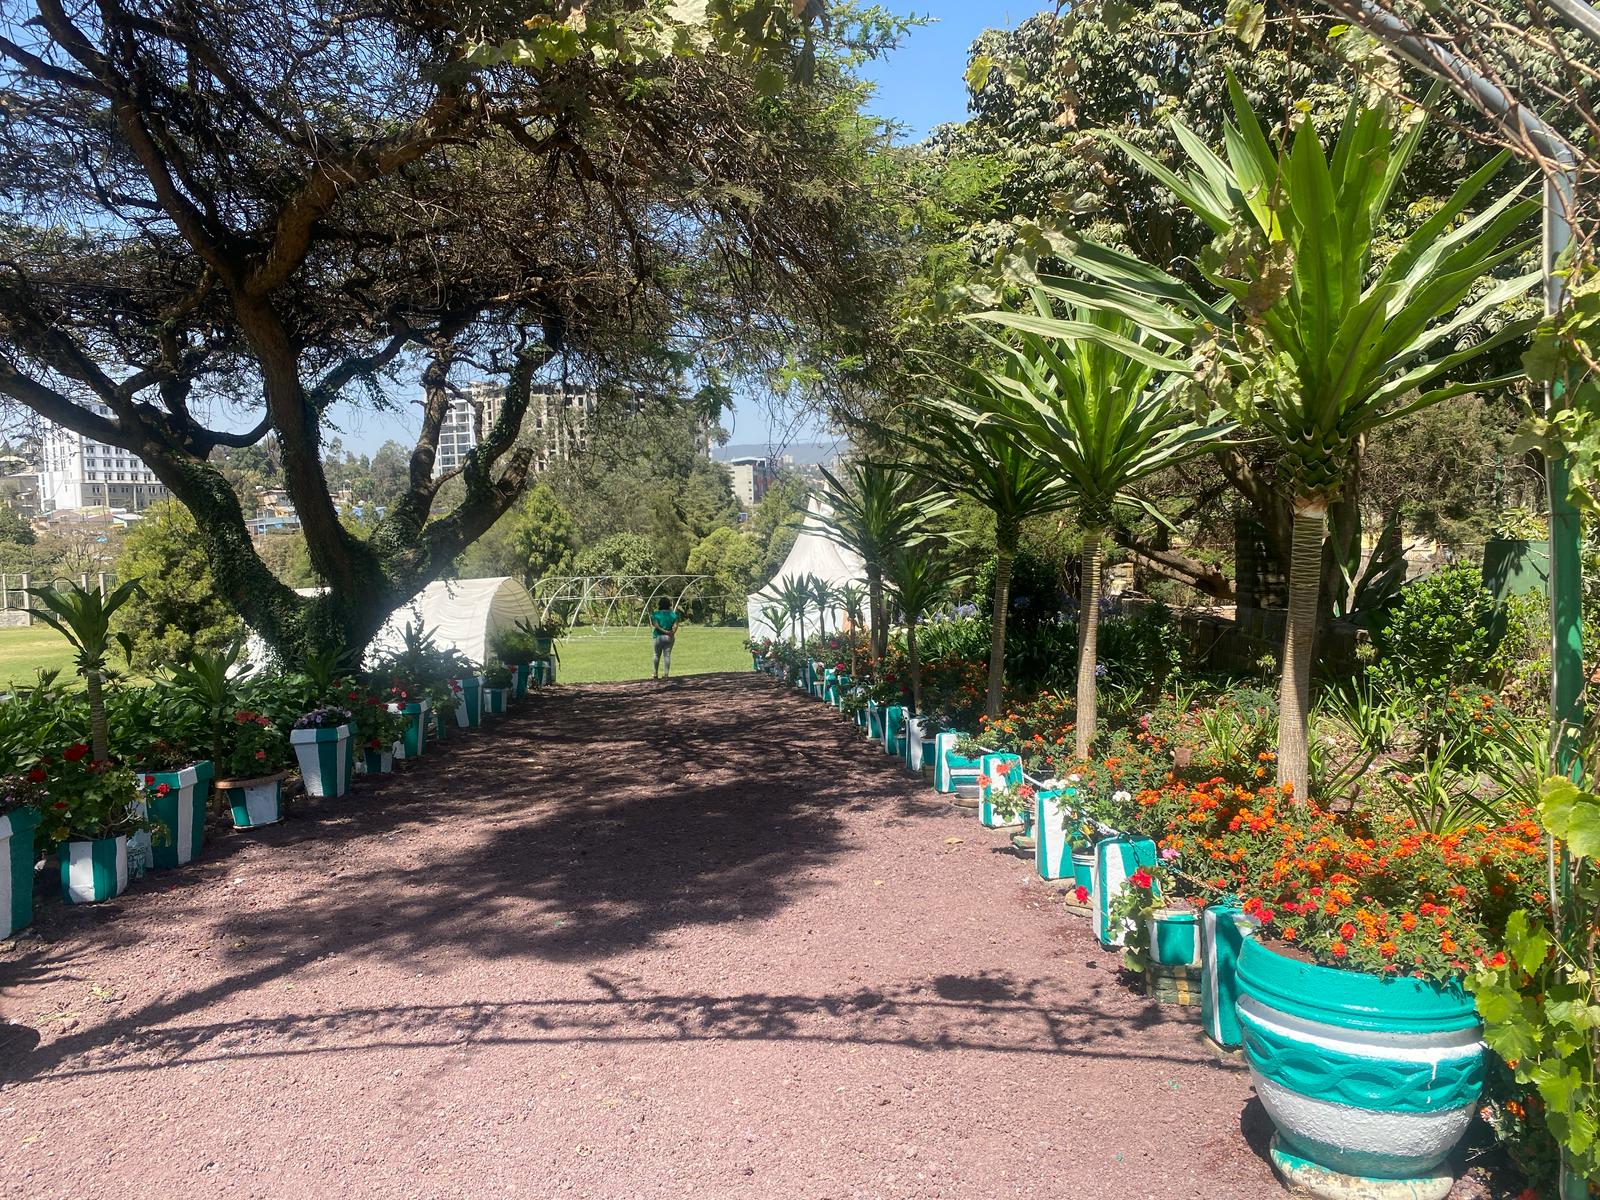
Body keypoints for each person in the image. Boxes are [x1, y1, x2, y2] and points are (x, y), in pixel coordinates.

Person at [649, 597, 680, 680]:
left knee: (656, 655)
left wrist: (664, 631)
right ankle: (666, 674)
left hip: (658, 636)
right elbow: (675, 626)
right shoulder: (673, 614)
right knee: (667, 655)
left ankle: (655, 673)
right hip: (670, 637)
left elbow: (656, 625)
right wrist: (671, 633)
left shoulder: (655, 614)